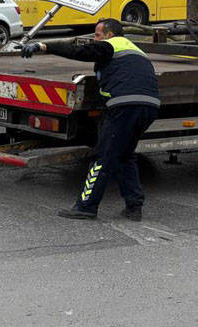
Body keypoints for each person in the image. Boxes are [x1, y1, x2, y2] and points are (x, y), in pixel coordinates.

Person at [22, 19, 159, 221]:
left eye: (97, 35)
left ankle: (86, 207)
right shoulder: (137, 51)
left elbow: (80, 51)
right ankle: (134, 207)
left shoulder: (110, 45)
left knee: (102, 157)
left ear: (110, 34)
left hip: (124, 106)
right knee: (124, 155)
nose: (94, 39)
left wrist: (44, 46)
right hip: (149, 107)